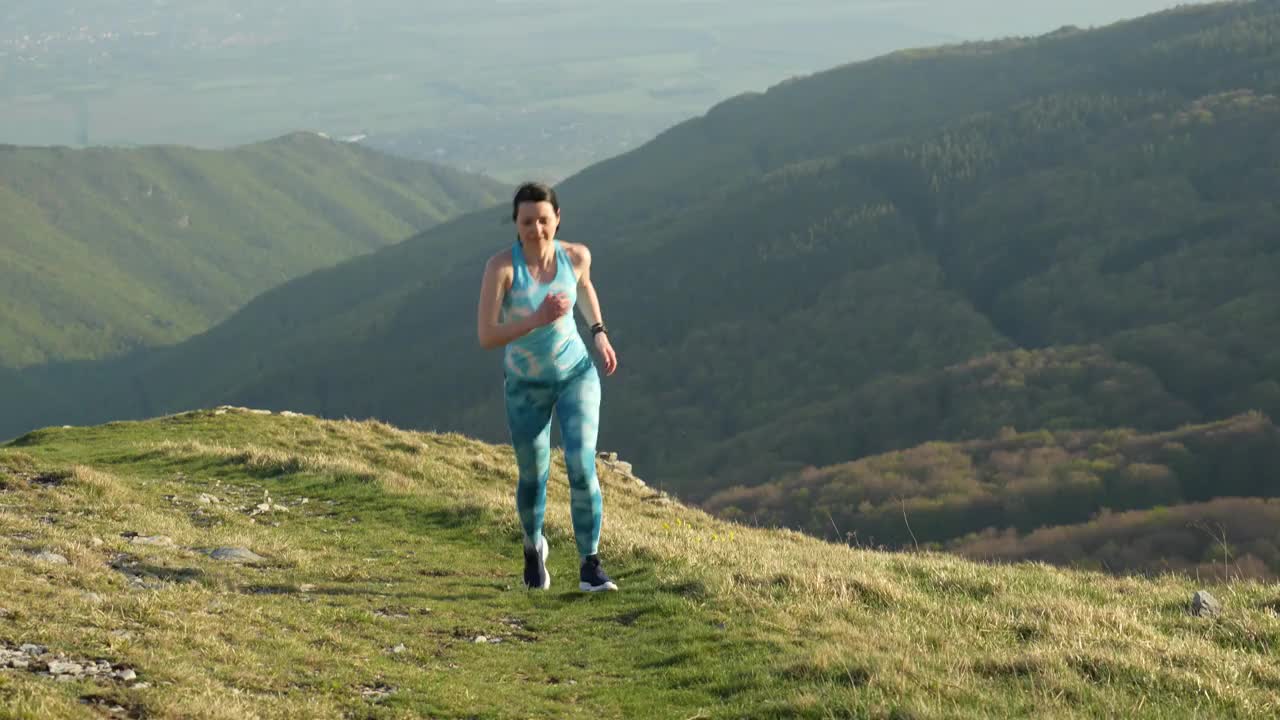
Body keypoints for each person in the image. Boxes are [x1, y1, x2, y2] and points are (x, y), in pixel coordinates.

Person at [476, 182, 620, 592]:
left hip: (576, 374)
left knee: (581, 463)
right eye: (527, 221)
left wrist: (599, 333)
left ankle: (590, 565)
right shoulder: (501, 269)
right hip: (525, 385)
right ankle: (532, 549)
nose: (536, 228)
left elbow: (585, 287)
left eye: (543, 219)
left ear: (557, 219)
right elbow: (487, 335)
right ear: (516, 224)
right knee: (533, 475)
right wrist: (537, 318)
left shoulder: (575, 256)